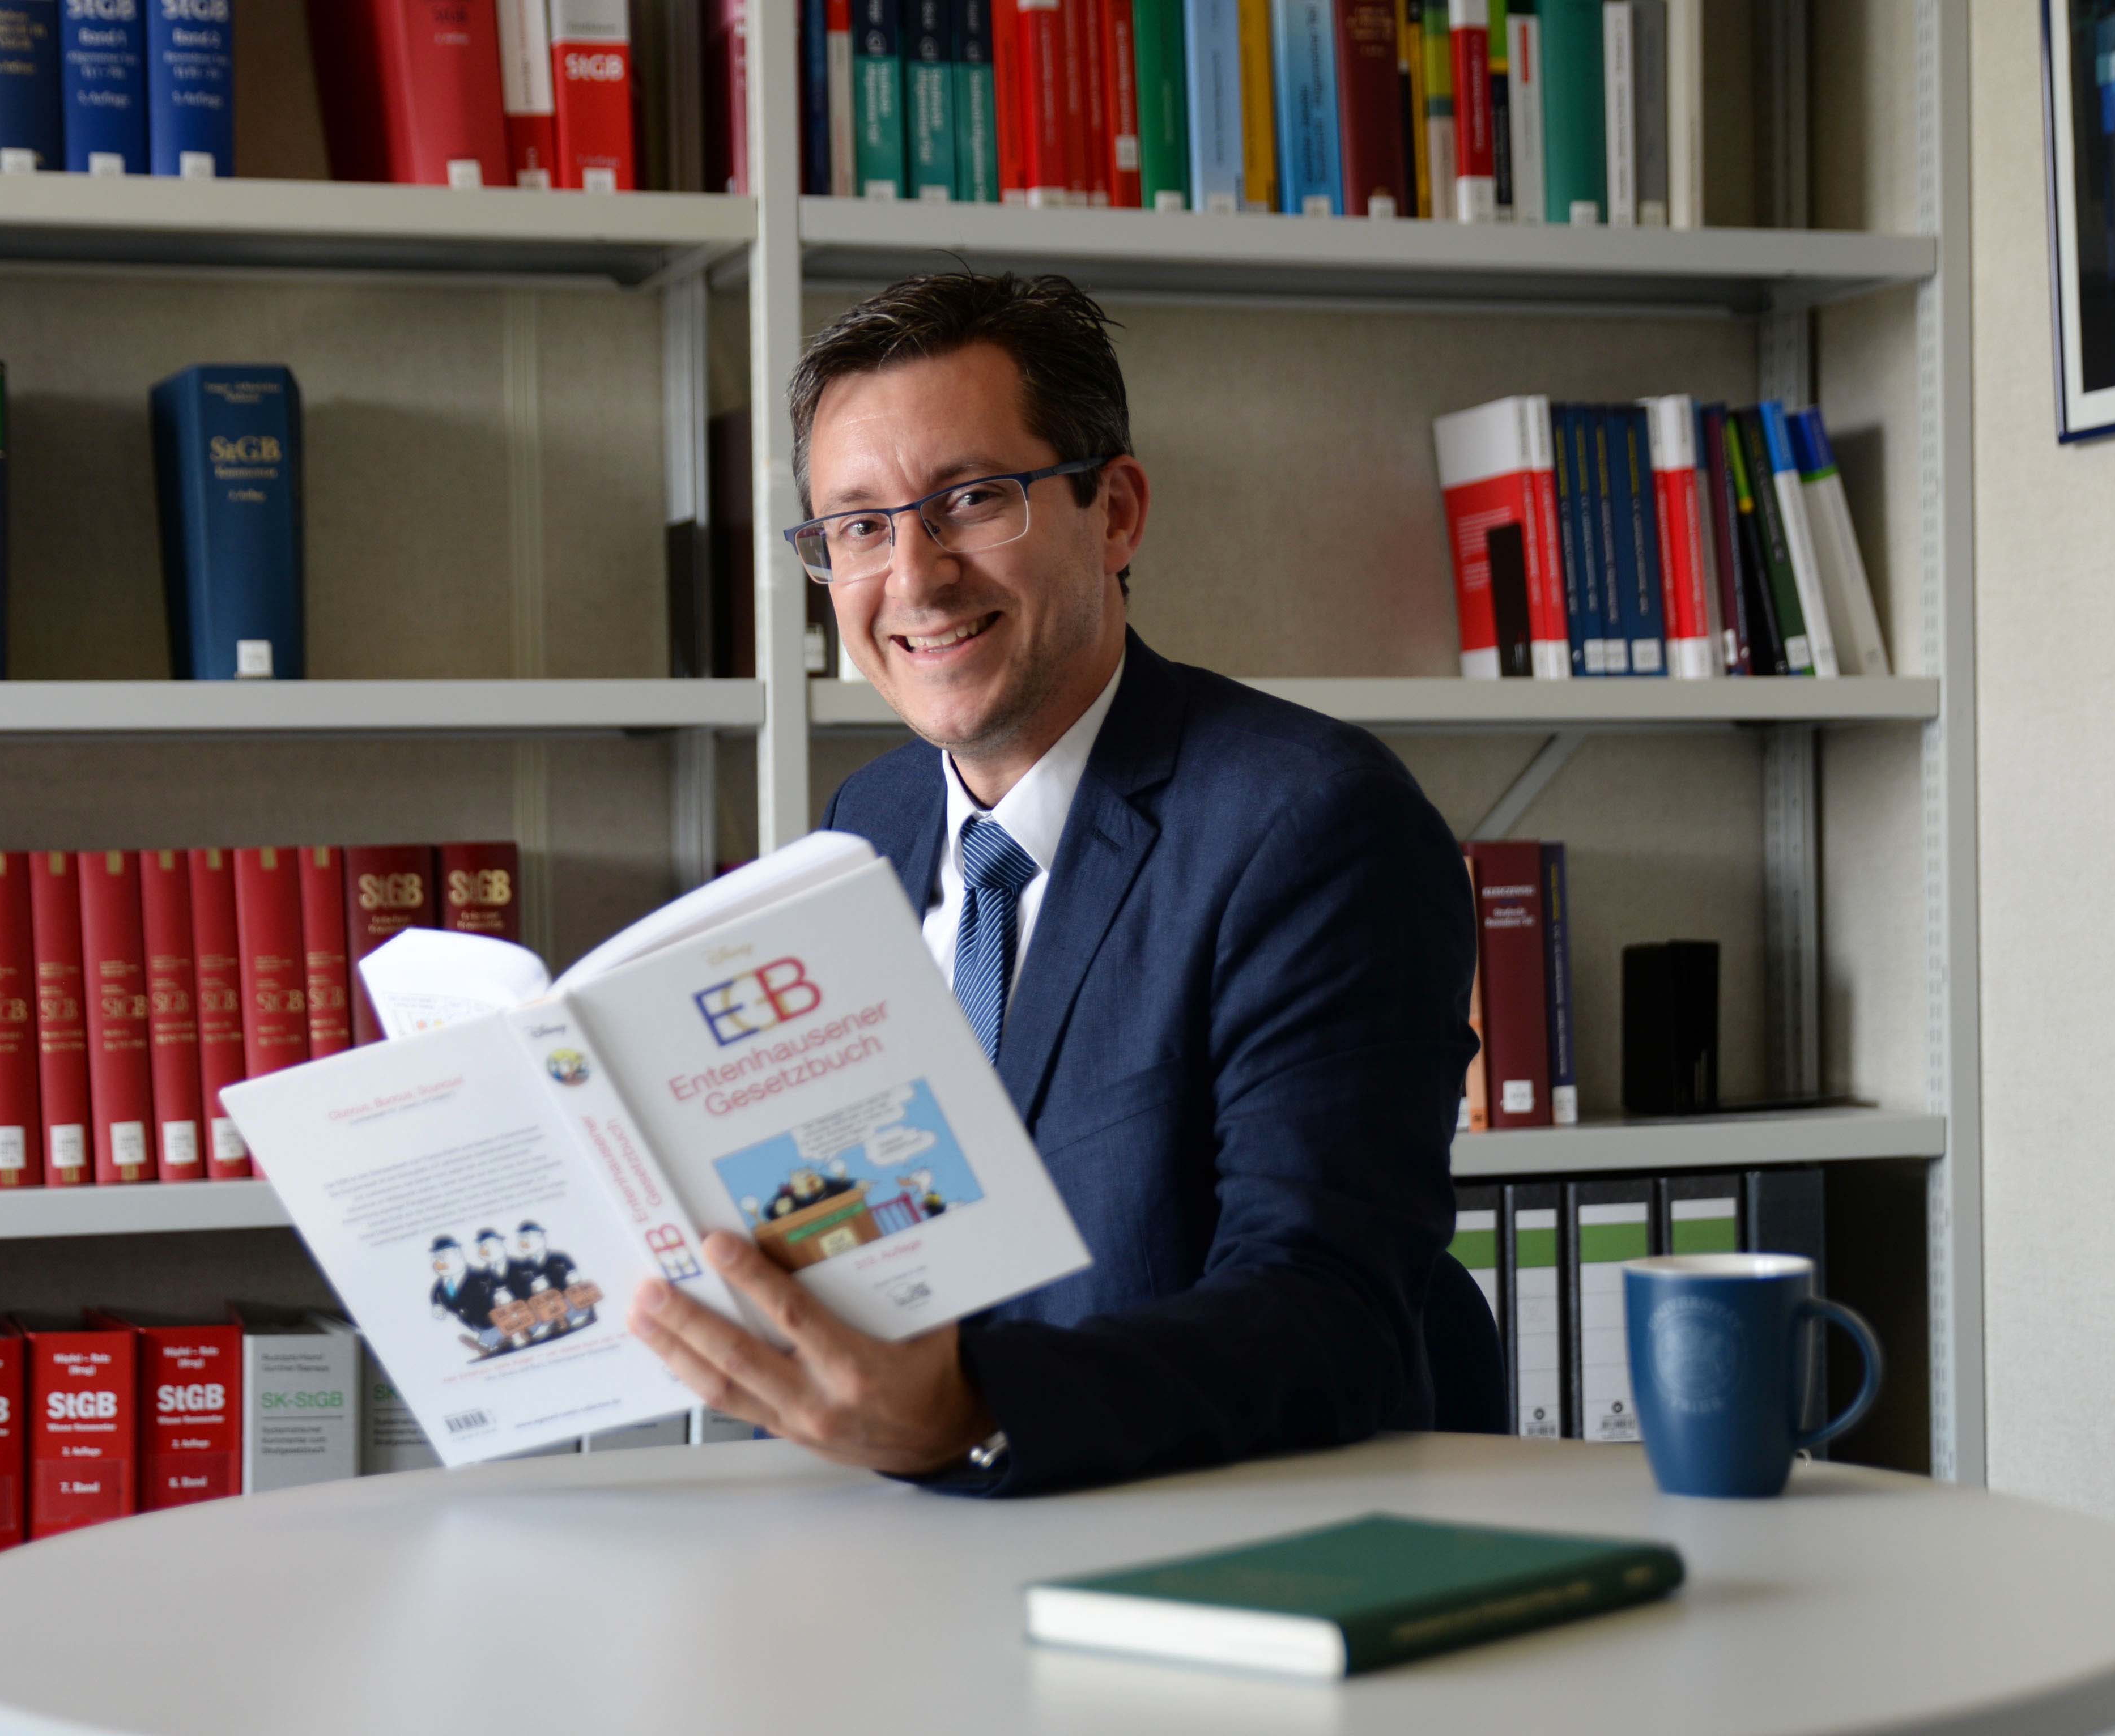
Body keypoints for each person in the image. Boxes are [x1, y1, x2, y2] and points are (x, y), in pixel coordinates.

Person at [628, 271, 1505, 1495]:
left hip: (1204, 1537)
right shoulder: (868, 823)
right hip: (896, 1525)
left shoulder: (1313, 825)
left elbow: (1329, 1312)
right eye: (859, 527)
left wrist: (972, 1411)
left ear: (1117, 512)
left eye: (972, 500)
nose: (915, 577)